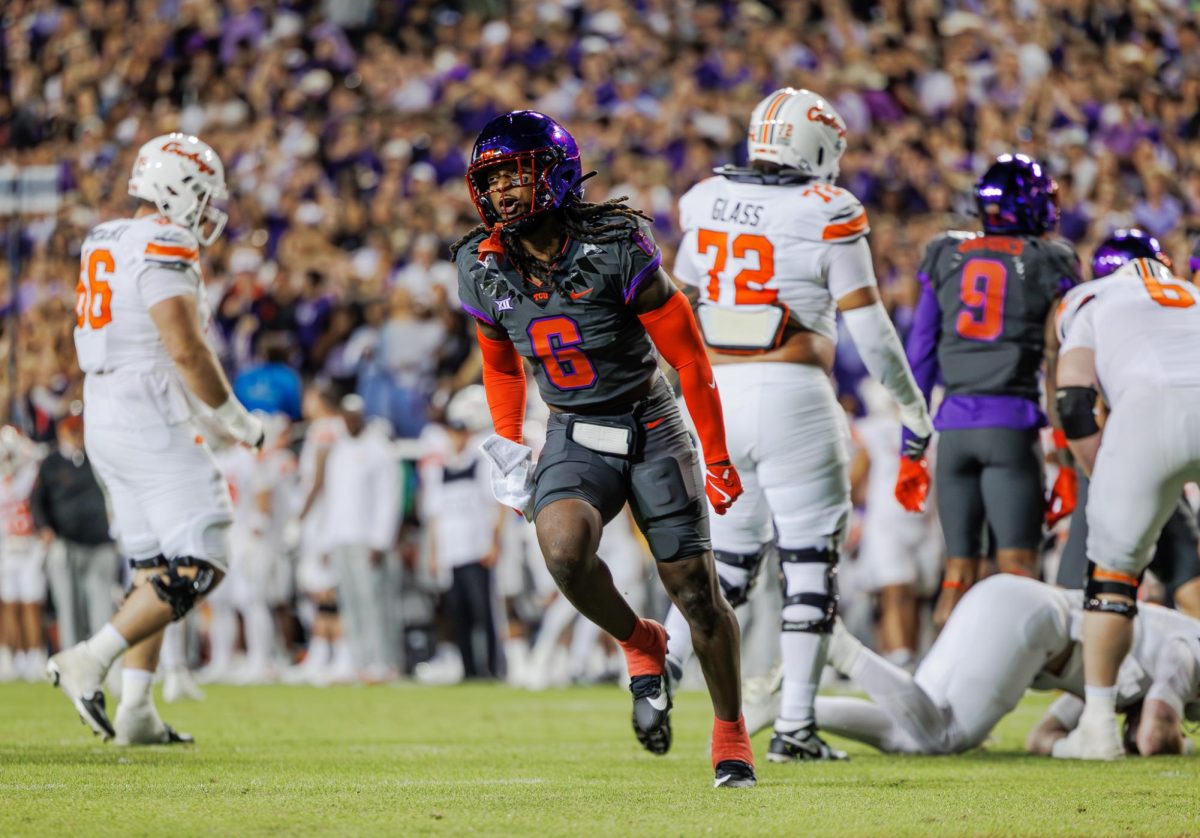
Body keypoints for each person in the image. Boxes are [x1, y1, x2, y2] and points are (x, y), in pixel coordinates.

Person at [453, 110, 754, 788]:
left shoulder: (617, 244)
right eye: (491, 179)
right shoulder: (481, 266)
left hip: (649, 422)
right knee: (561, 550)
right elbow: (500, 363)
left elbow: (688, 354)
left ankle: (731, 732)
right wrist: (507, 441)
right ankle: (640, 641)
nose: (501, 192)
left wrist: (717, 453)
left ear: (554, 176)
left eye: (515, 175)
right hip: (573, 428)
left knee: (696, 593)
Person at [668, 88, 933, 762]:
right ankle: (793, 729)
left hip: (718, 398)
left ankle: (658, 669)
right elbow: (871, 331)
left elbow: (679, 303)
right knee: (809, 566)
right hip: (793, 393)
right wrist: (910, 407)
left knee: (725, 564)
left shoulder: (703, 199)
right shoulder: (829, 209)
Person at [46, 132, 264, 746]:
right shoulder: (165, 238)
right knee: (205, 553)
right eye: (202, 194)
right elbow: (185, 347)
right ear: (178, 185)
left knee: (154, 566)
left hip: (105, 406)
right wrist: (238, 421)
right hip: (145, 404)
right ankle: (91, 657)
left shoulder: (104, 235)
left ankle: (137, 710)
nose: (206, 209)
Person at [898, 154, 1082, 626]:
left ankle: (939, 687)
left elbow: (918, 355)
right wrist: (1063, 455)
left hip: (953, 430)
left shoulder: (945, 251)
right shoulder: (1051, 259)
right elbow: (1060, 360)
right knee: (1018, 571)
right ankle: (1013, 682)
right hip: (1010, 428)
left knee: (958, 573)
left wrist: (910, 448)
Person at [1050, 249, 1200, 760]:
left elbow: (1072, 399)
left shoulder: (1090, 298)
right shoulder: (1191, 297)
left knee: (1113, 574)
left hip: (1147, 411)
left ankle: (1097, 725)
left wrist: (1102, 470)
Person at [812, 575, 1198, 756]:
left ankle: (794, 710)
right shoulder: (1191, 648)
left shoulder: (1126, 671)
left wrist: (1071, 745)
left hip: (1005, 597)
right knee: (944, 738)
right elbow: (1156, 736)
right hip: (1032, 620)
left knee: (911, 730)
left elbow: (1041, 736)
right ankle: (843, 649)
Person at [1052, 230, 1200, 618]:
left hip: (1122, 452)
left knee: (1094, 590)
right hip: (1145, 446)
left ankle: (1097, 680)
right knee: (1187, 584)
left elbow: (1072, 404)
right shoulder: (1181, 300)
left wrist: (1099, 474)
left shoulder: (1093, 306)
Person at [422, 386, 505, 680]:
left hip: (476, 547)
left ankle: (494, 668)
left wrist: (494, 543)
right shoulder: (440, 469)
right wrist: (433, 554)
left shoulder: (477, 464)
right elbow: (434, 516)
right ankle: (469, 669)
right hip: (451, 551)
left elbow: (495, 508)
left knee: (485, 612)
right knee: (458, 614)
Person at [321, 395, 402, 683]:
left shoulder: (379, 449)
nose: (350, 421)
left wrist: (380, 540)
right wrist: (328, 540)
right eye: (346, 416)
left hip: (367, 539)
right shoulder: (339, 451)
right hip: (342, 537)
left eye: (354, 416)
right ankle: (359, 662)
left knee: (375, 604)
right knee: (351, 603)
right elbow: (332, 499)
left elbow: (388, 497)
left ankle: (384, 661)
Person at [30, 405, 120, 650]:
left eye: (79, 429)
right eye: (72, 430)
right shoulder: (51, 463)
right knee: (68, 608)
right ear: (61, 431)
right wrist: (45, 527)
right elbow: (37, 501)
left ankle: (102, 659)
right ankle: (73, 660)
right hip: (65, 542)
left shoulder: (98, 458)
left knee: (102, 607)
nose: (77, 435)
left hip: (99, 543)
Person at [0, 425, 48, 681]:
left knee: (31, 604)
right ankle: (10, 655)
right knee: (8, 604)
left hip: (30, 546)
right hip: (7, 547)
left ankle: (34, 655)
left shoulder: (29, 473)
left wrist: (22, 447)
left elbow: (39, 454)